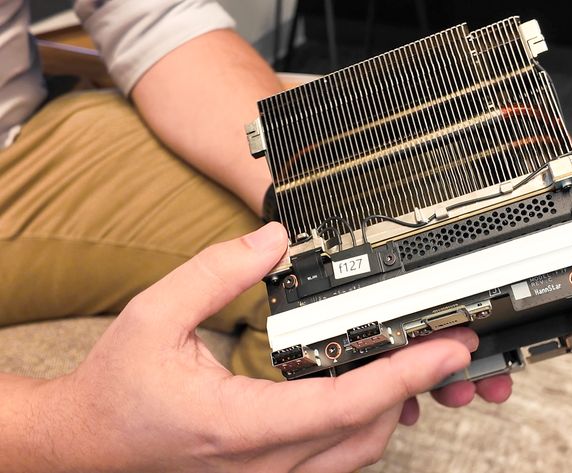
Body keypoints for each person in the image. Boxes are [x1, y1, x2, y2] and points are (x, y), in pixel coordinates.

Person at [0, 0, 513, 470]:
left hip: (22, 135)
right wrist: (65, 429)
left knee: (347, 258)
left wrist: (311, 191)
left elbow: (149, 16)